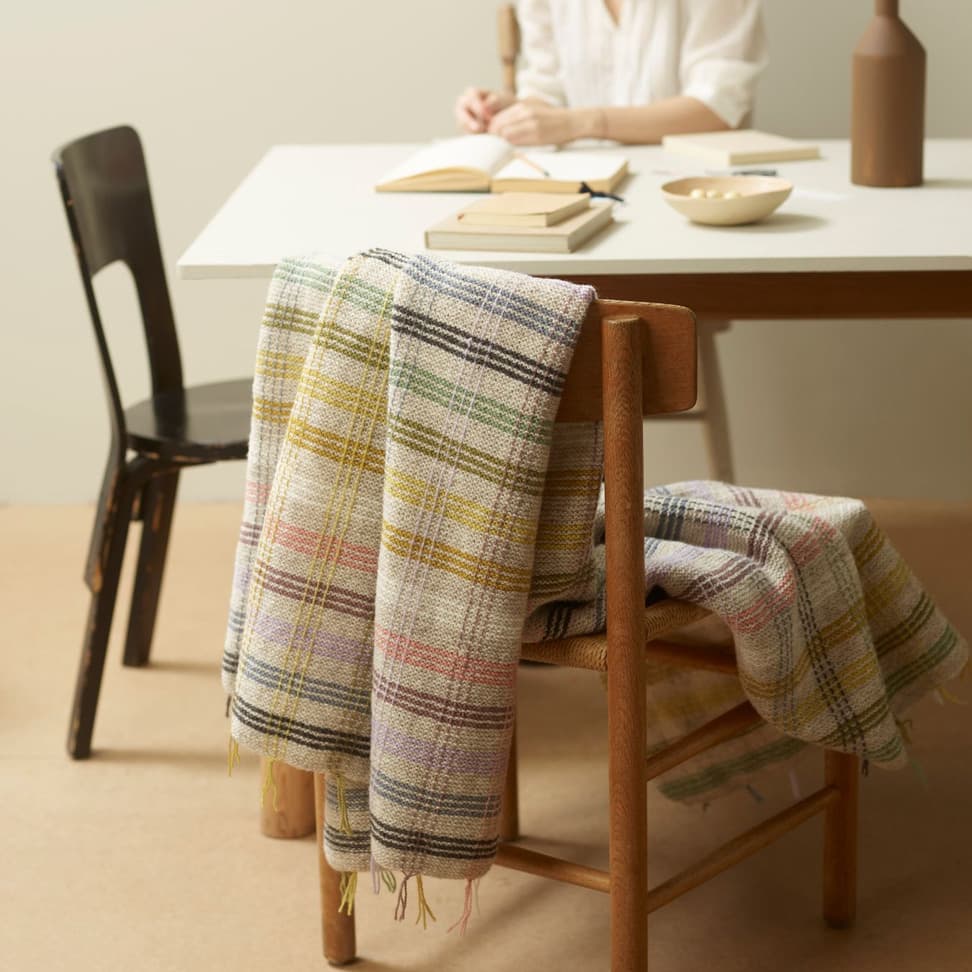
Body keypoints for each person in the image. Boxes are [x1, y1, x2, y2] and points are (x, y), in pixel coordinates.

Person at [455, 0, 767, 146]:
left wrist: (582, 122)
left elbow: (717, 107)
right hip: (582, 185)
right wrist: (507, 112)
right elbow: (549, 89)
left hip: (691, 189)